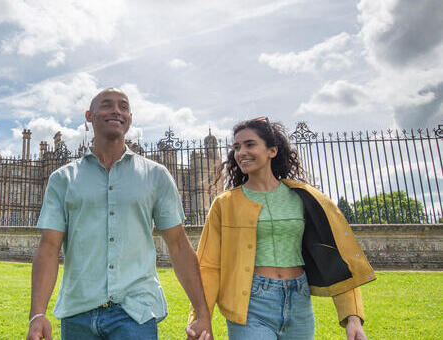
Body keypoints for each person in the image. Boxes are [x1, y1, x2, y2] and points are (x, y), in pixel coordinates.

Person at [26, 88, 212, 340]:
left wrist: (202, 313)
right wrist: (38, 314)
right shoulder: (62, 179)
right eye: (106, 105)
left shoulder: (156, 175)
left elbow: (178, 245)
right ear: (89, 115)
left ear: (130, 118)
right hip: (78, 311)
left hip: (135, 313)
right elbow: (48, 248)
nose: (116, 110)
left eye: (123, 107)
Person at [187, 117, 375, 340]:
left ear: (272, 151)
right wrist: (200, 317)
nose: (241, 152)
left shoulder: (304, 197)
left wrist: (352, 317)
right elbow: (208, 266)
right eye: (236, 147)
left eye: (250, 144)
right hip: (251, 304)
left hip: (298, 300)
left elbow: (336, 257)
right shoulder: (224, 204)